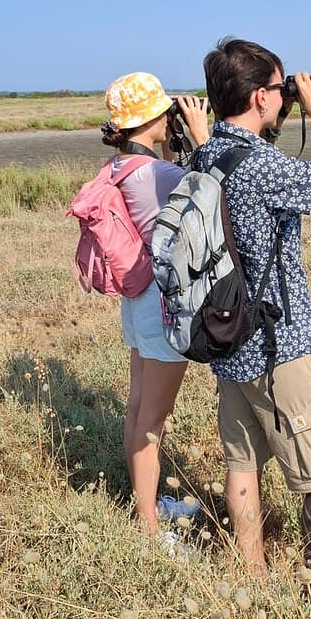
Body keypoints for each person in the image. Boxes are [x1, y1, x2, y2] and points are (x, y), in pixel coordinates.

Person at [196, 38, 311, 590]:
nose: (286, 97)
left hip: (229, 343)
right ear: (257, 98)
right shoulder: (263, 166)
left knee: (243, 462)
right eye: (279, 89)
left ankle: (251, 572)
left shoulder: (206, 155)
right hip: (282, 348)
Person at [100, 72, 209, 533]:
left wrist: (173, 150)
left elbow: (167, 190)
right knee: (153, 419)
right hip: (165, 304)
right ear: (152, 118)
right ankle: (148, 527)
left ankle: (148, 505)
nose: (173, 116)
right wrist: (202, 138)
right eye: (166, 111)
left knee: (139, 405)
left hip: (138, 298)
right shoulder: (161, 175)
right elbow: (210, 194)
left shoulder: (121, 167)